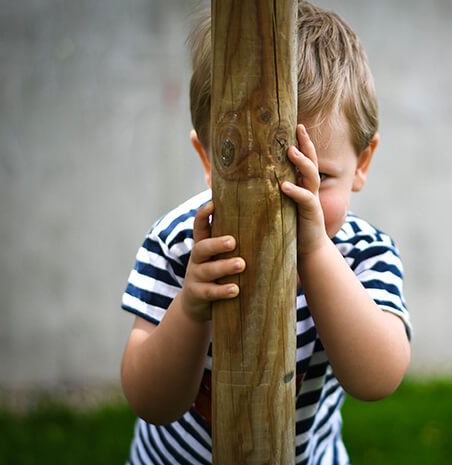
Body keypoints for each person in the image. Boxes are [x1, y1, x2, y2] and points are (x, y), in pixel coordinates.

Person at [120, 2, 412, 464]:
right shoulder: (183, 243)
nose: (286, 205)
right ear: (208, 158)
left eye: (317, 179)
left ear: (363, 163)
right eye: (252, 176)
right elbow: (149, 400)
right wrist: (191, 308)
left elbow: (377, 378)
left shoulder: (362, 253)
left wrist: (315, 251)